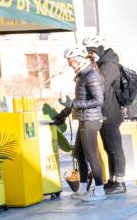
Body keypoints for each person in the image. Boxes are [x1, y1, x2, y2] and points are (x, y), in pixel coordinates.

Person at [51, 45, 106, 202]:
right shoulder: (82, 75)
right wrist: (62, 115)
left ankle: (100, 190)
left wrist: (72, 104)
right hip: (84, 119)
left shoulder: (92, 75)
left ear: (80, 60)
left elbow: (98, 101)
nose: (69, 64)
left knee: (91, 155)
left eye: (71, 60)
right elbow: (76, 101)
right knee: (79, 155)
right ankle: (82, 188)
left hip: (91, 120)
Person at [81, 35, 127, 195]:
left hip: (111, 113)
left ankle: (120, 183)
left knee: (115, 148)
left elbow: (99, 85)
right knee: (109, 148)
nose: (89, 56)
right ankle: (113, 180)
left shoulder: (109, 65)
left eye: (90, 53)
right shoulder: (102, 64)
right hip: (104, 111)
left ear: (97, 50)